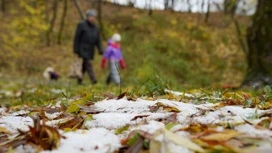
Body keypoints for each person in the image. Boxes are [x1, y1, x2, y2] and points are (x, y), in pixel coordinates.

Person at [73, 9, 103, 85]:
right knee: (88, 63)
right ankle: (93, 80)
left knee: (84, 66)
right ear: (88, 17)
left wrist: (100, 49)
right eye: (91, 16)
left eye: (93, 17)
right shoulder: (82, 25)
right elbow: (77, 37)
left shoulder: (95, 27)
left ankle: (79, 80)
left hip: (90, 49)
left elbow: (98, 39)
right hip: (82, 48)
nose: (92, 18)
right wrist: (76, 49)